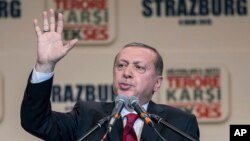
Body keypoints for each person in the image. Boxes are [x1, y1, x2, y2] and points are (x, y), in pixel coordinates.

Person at [21, 9, 200, 141]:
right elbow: (36, 122)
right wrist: (45, 66)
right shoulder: (87, 116)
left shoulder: (179, 124)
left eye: (139, 68)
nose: (127, 73)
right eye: (121, 65)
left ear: (157, 83)